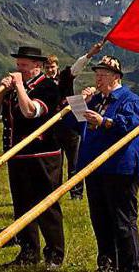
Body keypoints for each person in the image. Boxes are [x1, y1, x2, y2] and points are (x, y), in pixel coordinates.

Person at [0, 46, 64, 269]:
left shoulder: (48, 86)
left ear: (37, 67)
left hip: (43, 154)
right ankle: (28, 252)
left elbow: (31, 111)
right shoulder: (12, 89)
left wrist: (20, 86)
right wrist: (1, 90)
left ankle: (54, 255)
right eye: (18, 65)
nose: (18, 69)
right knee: (22, 204)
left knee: (46, 205)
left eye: (23, 66)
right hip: (17, 153)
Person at [76, 55, 139, 272]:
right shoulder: (96, 100)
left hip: (120, 168)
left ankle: (130, 267)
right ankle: (107, 263)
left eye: (102, 75)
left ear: (116, 77)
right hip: (95, 167)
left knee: (123, 221)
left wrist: (104, 121)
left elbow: (131, 125)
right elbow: (72, 123)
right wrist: (81, 102)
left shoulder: (129, 99)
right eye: (96, 74)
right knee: (100, 218)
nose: (98, 79)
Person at [44, 43, 103, 199]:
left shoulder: (65, 76)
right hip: (52, 125)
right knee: (54, 161)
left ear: (57, 66)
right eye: (47, 67)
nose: (50, 70)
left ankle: (76, 193)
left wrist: (90, 54)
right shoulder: (42, 83)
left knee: (74, 160)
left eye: (52, 66)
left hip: (70, 123)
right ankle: (54, 193)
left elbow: (77, 67)